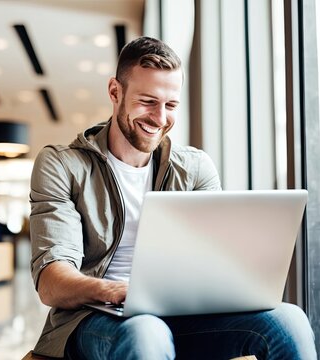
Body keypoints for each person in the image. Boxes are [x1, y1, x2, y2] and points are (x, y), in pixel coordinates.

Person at [29, 37, 317, 359]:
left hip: (183, 316)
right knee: (147, 331)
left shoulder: (195, 167)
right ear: (115, 92)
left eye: (171, 105)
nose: (160, 118)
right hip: (93, 318)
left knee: (288, 320)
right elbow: (51, 281)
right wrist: (115, 291)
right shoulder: (62, 164)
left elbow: (215, 259)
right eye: (147, 101)